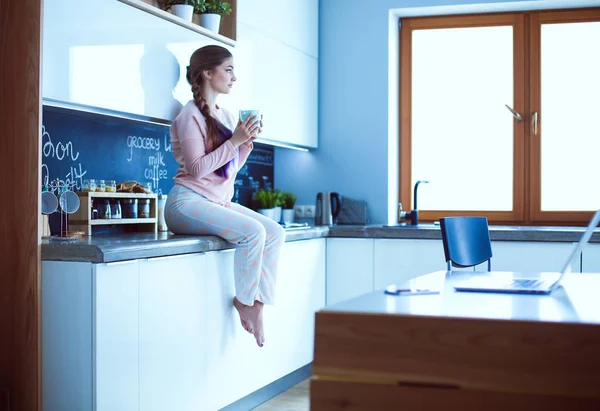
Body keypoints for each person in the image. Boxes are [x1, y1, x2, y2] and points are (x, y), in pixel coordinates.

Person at [165, 45, 286, 347]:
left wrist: (245, 144)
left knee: (275, 231)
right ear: (208, 72)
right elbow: (196, 169)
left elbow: (227, 169)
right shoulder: (188, 115)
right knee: (254, 232)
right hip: (186, 202)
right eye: (229, 69)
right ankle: (245, 301)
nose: (234, 76)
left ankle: (256, 302)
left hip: (215, 201)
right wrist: (235, 141)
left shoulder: (227, 114)